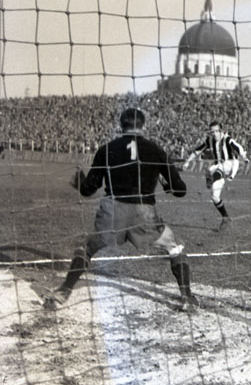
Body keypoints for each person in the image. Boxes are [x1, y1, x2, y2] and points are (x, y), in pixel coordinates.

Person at [44, 107, 198, 312]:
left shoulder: (106, 149)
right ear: (143, 125)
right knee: (175, 246)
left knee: (86, 248)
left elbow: (89, 189)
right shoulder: (156, 150)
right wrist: (168, 185)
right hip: (143, 213)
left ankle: (63, 292)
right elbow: (180, 191)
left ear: (121, 125)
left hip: (112, 210)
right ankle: (187, 298)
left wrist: (79, 181)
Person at [183, 120, 248, 225]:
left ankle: (212, 179)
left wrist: (244, 157)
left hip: (229, 164)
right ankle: (225, 217)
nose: (214, 134)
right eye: (212, 132)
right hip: (218, 166)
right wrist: (187, 162)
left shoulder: (227, 139)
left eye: (216, 131)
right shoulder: (210, 141)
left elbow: (238, 147)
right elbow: (197, 150)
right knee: (214, 196)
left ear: (221, 131)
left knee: (217, 170)